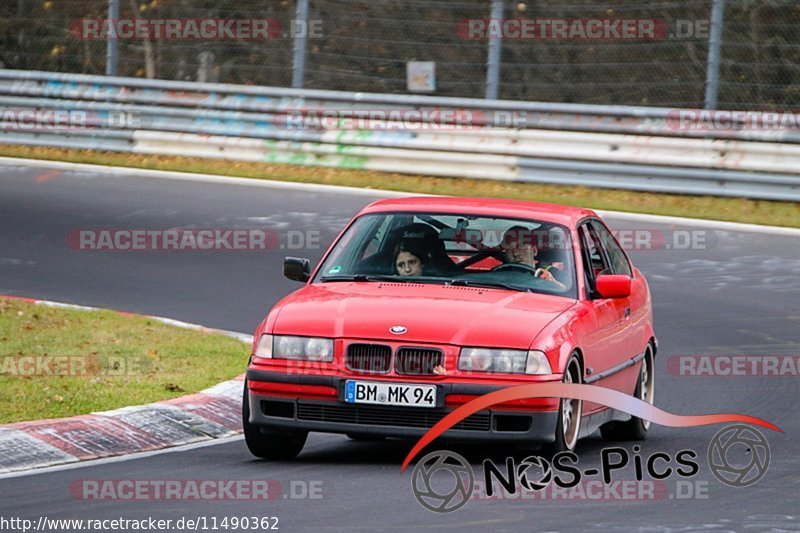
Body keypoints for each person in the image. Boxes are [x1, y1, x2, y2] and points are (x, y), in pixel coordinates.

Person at [497, 225, 566, 289]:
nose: (515, 253)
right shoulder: (498, 275)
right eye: (509, 249)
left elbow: (569, 293)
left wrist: (553, 283)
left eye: (521, 247)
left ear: (535, 250)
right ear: (505, 254)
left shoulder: (552, 273)